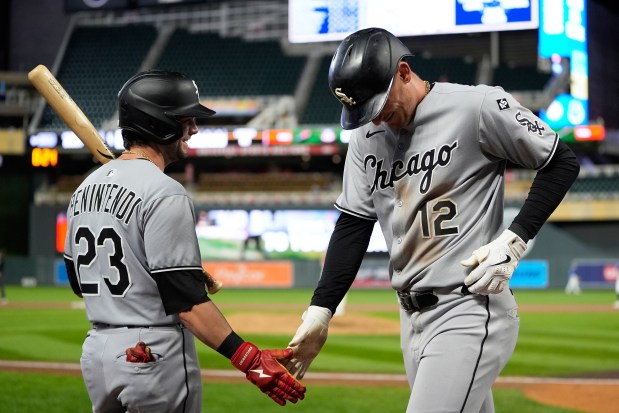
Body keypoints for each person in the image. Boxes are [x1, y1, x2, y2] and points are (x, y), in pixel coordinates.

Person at [285, 28, 580, 413]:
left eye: (379, 103)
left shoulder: (477, 106)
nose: (377, 118)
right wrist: (321, 310)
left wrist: (514, 240)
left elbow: (561, 161)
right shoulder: (366, 135)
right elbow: (354, 224)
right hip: (412, 320)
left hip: (467, 308)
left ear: (404, 72)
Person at [63, 70, 305, 412]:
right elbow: (186, 302)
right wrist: (248, 358)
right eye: (185, 119)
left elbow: (78, 283)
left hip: (97, 355)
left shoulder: (82, 191)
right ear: (159, 124)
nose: (193, 129)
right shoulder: (164, 192)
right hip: (152, 355)